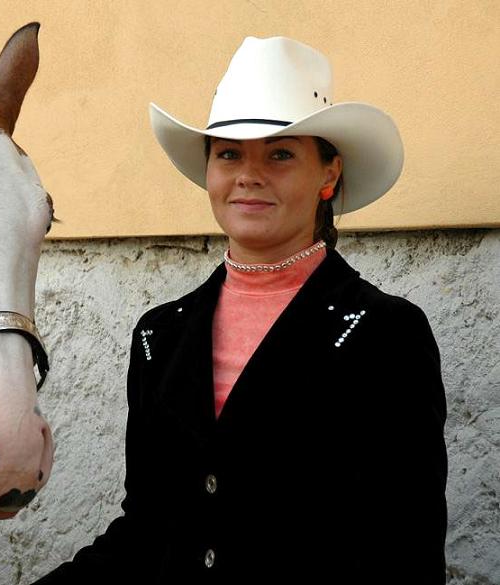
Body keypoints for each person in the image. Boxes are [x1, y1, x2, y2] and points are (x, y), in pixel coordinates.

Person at [31, 37, 447, 584]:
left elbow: (406, 551)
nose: (249, 174)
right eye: (229, 153)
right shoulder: (159, 336)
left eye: (280, 153)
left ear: (328, 174)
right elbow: (148, 533)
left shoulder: (385, 334)